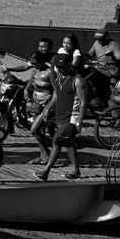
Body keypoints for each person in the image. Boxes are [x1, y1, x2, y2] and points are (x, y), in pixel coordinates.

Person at [33, 53, 86, 181]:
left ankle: (45, 172)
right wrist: (47, 109)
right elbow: (56, 95)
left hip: (71, 118)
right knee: (68, 142)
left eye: (62, 67)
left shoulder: (78, 80)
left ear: (69, 65)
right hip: (60, 116)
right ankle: (76, 171)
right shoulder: (59, 78)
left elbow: (83, 102)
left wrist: (79, 121)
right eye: (58, 67)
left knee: (56, 141)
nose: (60, 69)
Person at [85, 28, 120, 107]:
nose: (99, 41)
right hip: (98, 69)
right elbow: (90, 53)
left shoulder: (114, 45)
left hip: (111, 72)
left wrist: (113, 55)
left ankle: (114, 111)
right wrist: (84, 56)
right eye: (98, 39)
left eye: (101, 39)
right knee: (87, 82)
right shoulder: (96, 43)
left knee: (112, 92)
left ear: (107, 37)